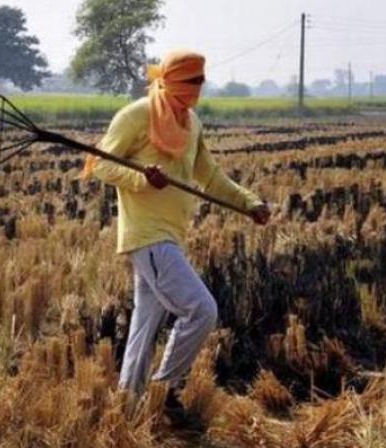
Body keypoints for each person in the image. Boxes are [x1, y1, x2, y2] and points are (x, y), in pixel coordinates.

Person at [88, 50, 271, 405]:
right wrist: (142, 178)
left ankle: (128, 406)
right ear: (171, 80)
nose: (196, 90)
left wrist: (249, 203)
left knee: (143, 327)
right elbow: (101, 166)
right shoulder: (136, 115)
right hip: (148, 235)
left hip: (171, 234)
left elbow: (210, 175)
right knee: (202, 310)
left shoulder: (192, 123)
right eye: (191, 82)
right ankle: (164, 388)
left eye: (200, 82)